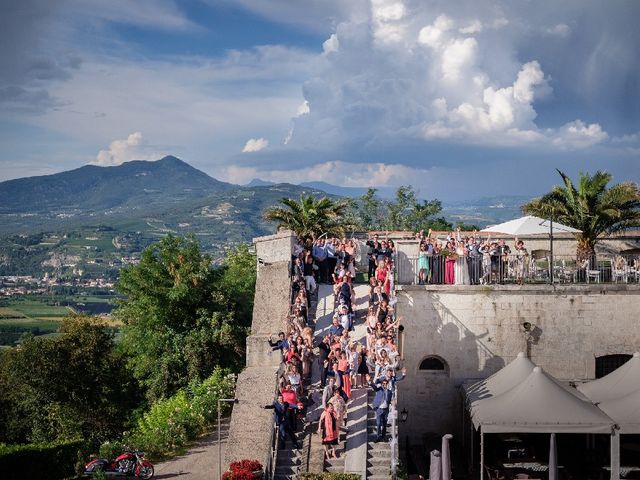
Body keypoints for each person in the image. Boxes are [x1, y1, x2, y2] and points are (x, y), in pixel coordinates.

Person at [368, 374, 394, 442]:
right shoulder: (379, 389)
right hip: (379, 409)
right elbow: (374, 387)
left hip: (386, 410)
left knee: (385, 424)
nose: (384, 384)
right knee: (378, 423)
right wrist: (370, 381)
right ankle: (378, 436)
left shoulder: (389, 392)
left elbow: (390, 400)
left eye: (386, 383)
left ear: (387, 384)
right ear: (382, 384)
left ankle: (383, 436)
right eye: (383, 383)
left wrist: (392, 402)